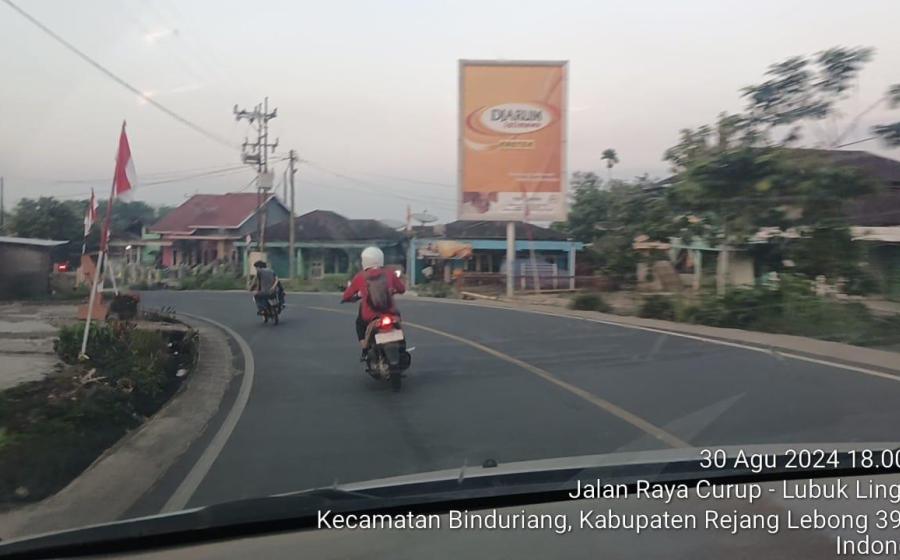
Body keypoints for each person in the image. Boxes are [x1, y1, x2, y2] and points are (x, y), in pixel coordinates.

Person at [341, 246, 406, 360]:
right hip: (391, 313)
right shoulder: (389, 273)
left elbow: (346, 296)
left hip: (370, 316)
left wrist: (356, 296)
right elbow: (402, 289)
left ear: (364, 261)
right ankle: (402, 347)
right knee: (398, 320)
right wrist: (393, 290)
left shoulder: (360, 276)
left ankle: (365, 349)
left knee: (360, 324)